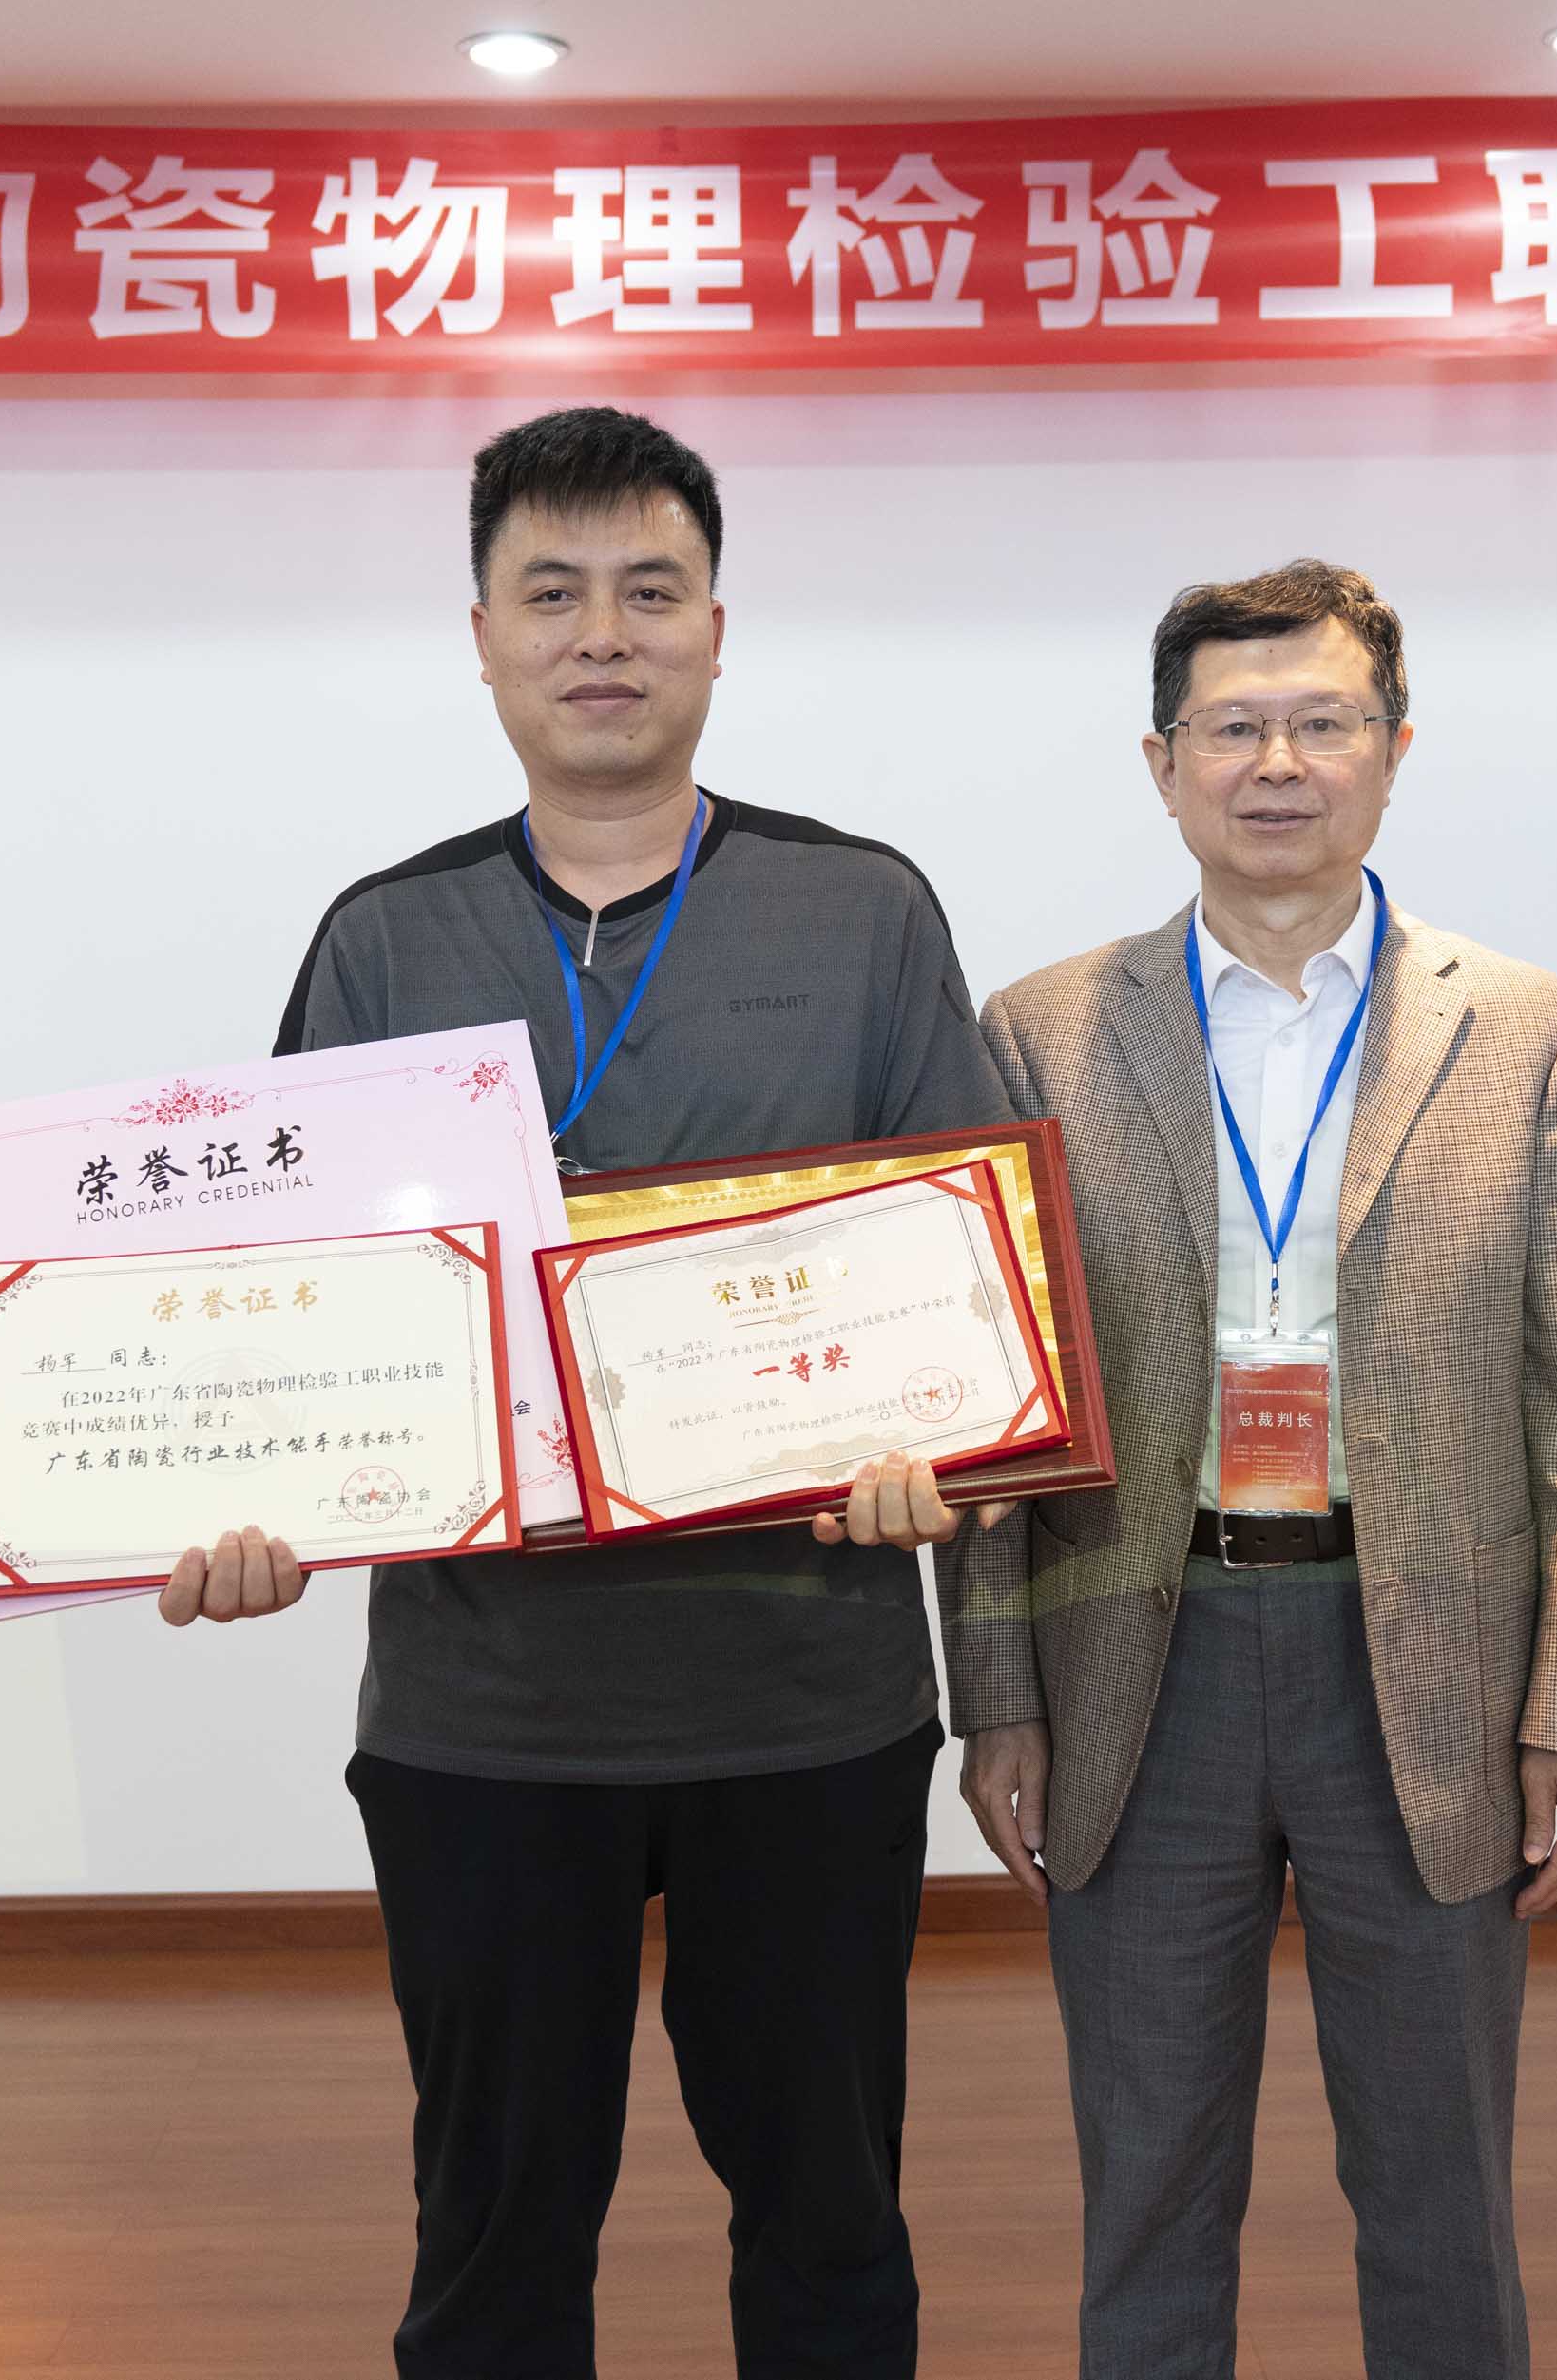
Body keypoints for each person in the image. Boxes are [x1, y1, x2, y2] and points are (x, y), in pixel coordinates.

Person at [162, 406, 1007, 2380]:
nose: (601, 634)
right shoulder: (385, 936)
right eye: (551, 594)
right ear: (482, 638)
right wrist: (239, 1506)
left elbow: (970, 1284)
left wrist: (947, 1450)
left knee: (826, 2221)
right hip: (485, 1718)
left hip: (801, 1703)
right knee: (493, 2238)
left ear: (717, 628)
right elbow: (283, 1315)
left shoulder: (862, 909)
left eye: (648, 589)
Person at [941, 559, 1557, 2378]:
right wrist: (996, 1694)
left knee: (1437, 2184)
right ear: (1162, 763)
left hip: (1421, 1665)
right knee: (1148, 2182)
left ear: (1394, 751)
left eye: (1322, 721)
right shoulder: (1039, 1031)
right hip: (1139, 1652)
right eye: (1233, 727)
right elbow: (1000, 1408)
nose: (1277, 763)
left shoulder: (1532, 1032)